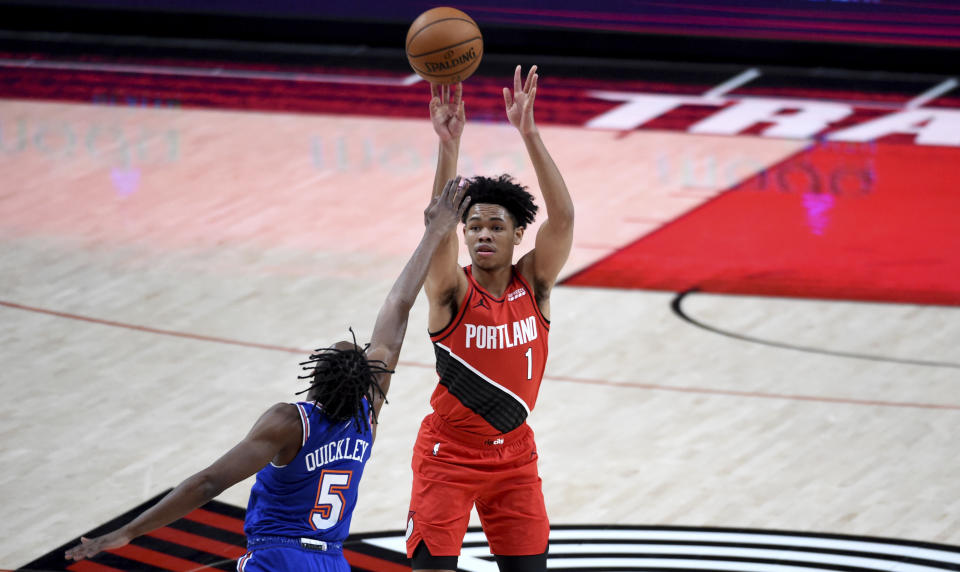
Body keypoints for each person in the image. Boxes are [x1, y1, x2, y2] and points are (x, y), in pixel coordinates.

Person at [65, 177, 472, 571]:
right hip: (331, 562)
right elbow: (398, 308)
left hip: (277, 556)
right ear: (368, 383)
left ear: (314, 378)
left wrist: (129, 531)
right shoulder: (368, 415)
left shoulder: (289, 421)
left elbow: (208, 484)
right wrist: (435, 233)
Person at [406, 65, 574, 572]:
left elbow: (563, 219)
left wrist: (529, 131)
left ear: (518, 234)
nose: (482, 234)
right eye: (473, 225)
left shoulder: (535, 284)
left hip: (516, 457)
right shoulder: (452, 291)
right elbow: (435, 229)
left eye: (495, 226)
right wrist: (448, 146)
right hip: (448, 455)